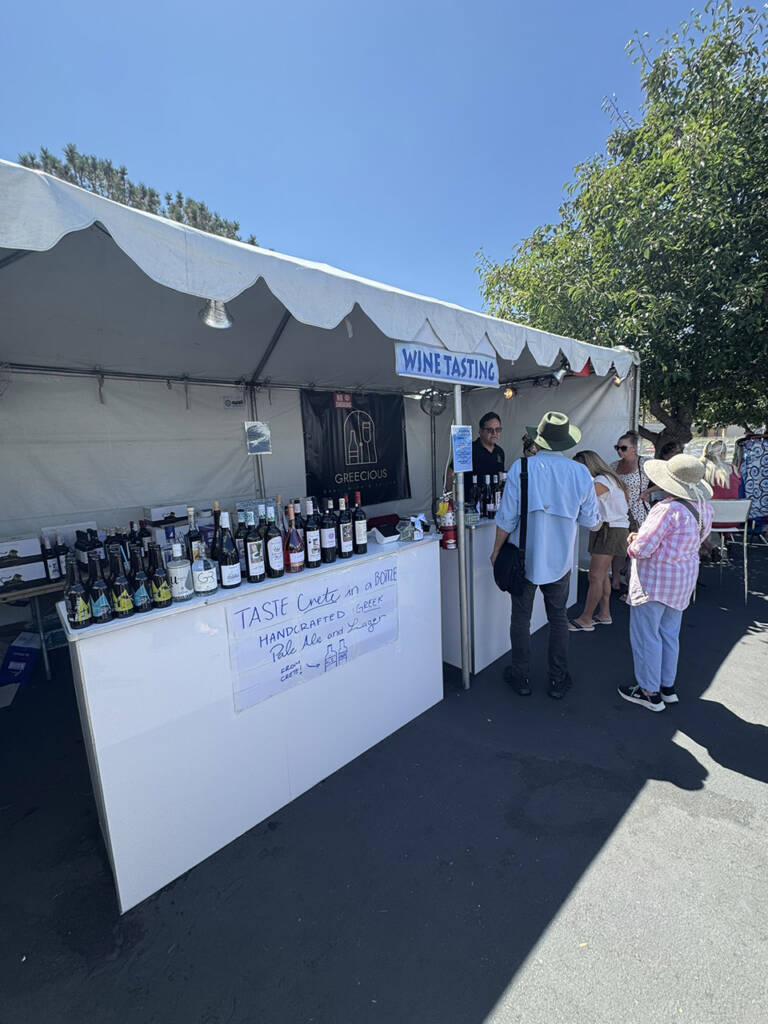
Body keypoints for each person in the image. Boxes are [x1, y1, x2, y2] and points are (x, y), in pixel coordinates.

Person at [491, 412, 600, 699]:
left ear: (539, 439)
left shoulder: (521, 468)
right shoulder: (580, 473)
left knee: (520, 618)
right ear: (564, 440)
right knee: (559, 619)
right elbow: (592, 521)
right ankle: (557, 679)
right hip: (561, 560)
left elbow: (506, 518)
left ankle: (521, 675)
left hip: (524, 559)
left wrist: (495, 551)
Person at [618, 454, 714, 713]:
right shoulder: (704, 506)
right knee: (669, 634)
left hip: (655, 580)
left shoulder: (667, 509)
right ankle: (666, 687)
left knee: (646, 636)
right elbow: (695, 539)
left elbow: (642, 549)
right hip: (682, 579)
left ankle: (649, 692)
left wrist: (632, 542)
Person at [568, 451, 630, 631]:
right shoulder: (610, 479)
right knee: (601, 575)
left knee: (595, 576)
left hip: (609, 530)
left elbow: (579, 499)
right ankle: (604, 613)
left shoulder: (601, 481)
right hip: (609, 529)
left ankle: (586, 618)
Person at [611, 430, 651, 599]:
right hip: (619, 512)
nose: (620, 451)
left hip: (639, 512)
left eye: (623, 448)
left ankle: (632, 587)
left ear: (634, 448)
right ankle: (615, 582)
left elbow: (666, 480)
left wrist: (648, 491)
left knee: (635, 551)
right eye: (617, 448)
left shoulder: (645, 463)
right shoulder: (614, 465)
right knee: (618, 548)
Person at [445, 411, 505, 492]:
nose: (494, 433)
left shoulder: (500, 452)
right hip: (471, 502)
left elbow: (501, 477)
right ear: (480, 431)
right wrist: (451, 498)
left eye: (497, 429)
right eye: (490, 430)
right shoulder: (468, 449)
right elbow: (450, 473)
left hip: (494, 501)